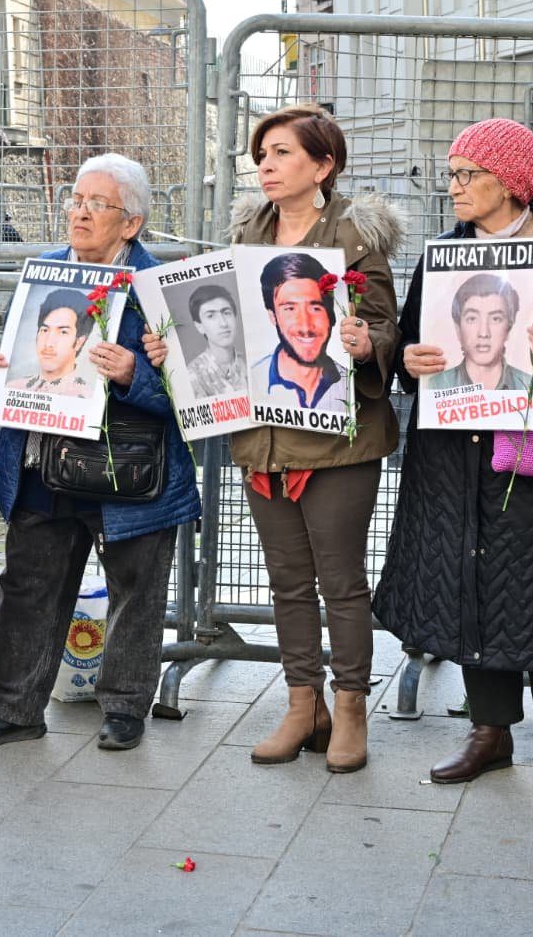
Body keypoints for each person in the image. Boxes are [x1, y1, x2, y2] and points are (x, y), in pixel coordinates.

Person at [372, 118, 533, 801]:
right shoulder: (443, 255)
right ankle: (489, 732)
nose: (452, 187)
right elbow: (409, 347)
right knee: (472, 581)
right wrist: (410, 359)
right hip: (454, 456)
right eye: (452, 173)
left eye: (467, 174)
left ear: (511, 183)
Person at [164, 104, 400, 773]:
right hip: (262, 437)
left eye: (281, 153)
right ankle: (304, 704)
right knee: (287, 581)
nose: (265, 165)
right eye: (261, 154)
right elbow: (227, 335)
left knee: (341, 581)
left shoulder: (355, 235)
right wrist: (172, 345)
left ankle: (351, 705)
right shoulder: (248, 233)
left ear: (323, 164)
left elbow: (387, 327)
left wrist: (364, 341)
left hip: (338, 443)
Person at [0, 153, 200, 751]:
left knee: (136, 592)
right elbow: (33, 364)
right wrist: (12, 368)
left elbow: (198, 394)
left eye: (98, 204)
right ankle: (12, 708)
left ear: (132, 224)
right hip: (45, 461)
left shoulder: (161, 290)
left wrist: (133, 375)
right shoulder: (44, 276)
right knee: (29, 585)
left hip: (132, 473)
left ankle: (124, 709)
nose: (80, 212)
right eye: (76, 199)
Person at [249, 252, 347, 413]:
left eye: (315, 308)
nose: (305, 326)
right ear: (273, 316)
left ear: (330, 314)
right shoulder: (250, 382)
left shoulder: (350, 385)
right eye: (290, 309)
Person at [438, 273, 532, 391]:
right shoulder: (435, 385)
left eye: (495, 319)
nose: (483, 333)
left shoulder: (530, 386)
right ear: (458, 328)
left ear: (509, 328)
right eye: (472, 319)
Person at [6, 288, 95, 397]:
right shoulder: (14, 388)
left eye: (63, 332)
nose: (48, 343)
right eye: (45, 330)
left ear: (79, 342)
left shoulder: (88, 398)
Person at [182, 283, 246, 396]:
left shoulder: (250, 362)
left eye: (226, 313)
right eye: (211, 316)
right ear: (199, 326)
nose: (223, 323)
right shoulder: (191, 376)